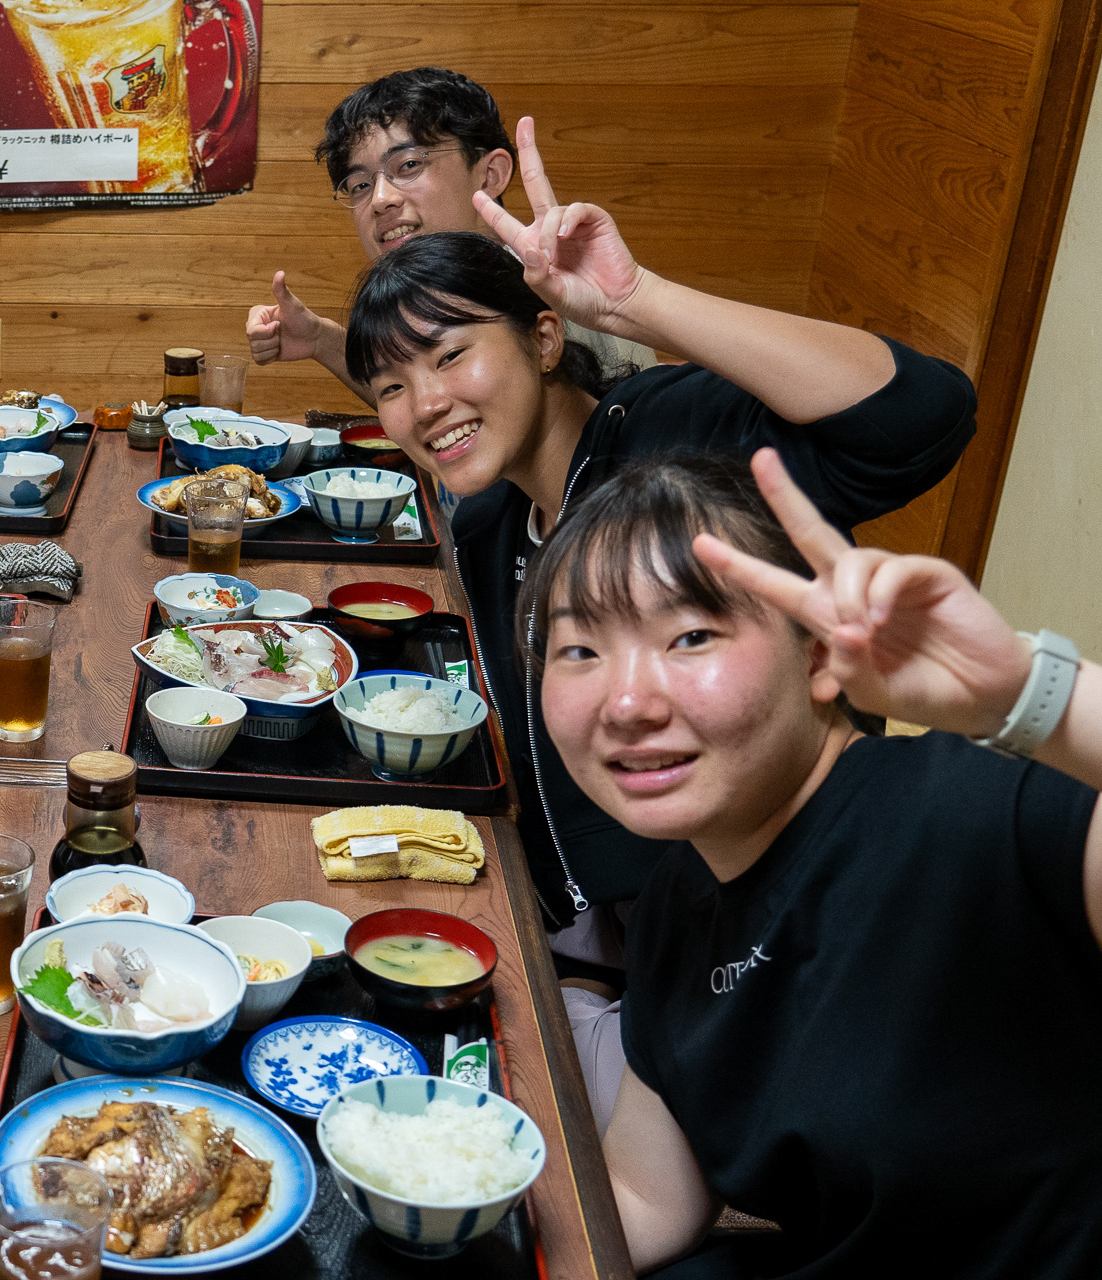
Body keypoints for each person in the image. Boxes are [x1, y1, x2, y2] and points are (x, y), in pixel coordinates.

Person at [340, 119, 977, 1124]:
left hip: (766, 968)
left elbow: (923, 415)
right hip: (597, 959)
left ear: (546, 335)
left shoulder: (669, 433)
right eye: (390, 385)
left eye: (451, 355)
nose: (424, 404)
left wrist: (638, 302)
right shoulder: (489, 515)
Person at [521, 449, 1102, 1276]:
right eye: (580, 650)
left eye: (691, 636)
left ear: (819, 655)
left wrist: (1029, 696)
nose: (626, 703)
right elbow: (645, 1196)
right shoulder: (685, 896)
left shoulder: (985, 816)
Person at [246, 68, 654, 404]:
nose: (380, 200)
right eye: (359, 185)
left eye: (407, 165)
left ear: (489, 175)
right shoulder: (433, 290)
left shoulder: (554, 287)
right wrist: (320, 339)